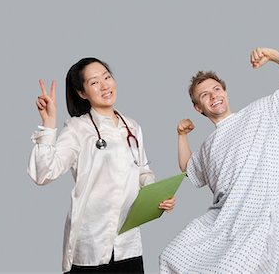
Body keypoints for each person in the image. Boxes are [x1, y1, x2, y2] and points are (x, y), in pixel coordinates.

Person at [159, 48, 279, 273]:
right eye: (205, 95)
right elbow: (189, 168)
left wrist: (275, 56)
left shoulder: (262, 112)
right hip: (220, 219)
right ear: (198, 108)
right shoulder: (208, 144)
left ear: (225, 91)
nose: (213, 95)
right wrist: (182, 136)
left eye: (216, 89)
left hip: (255, 218)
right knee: (172, 256)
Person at [27, 57, 175, 273]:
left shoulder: (132, 126)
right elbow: (43, 173)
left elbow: (142, 170)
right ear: (82, 92)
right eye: (95, 82)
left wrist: (157, 195)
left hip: (128, 244)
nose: (105, 85)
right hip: (90, 245)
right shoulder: (78, 128)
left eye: (107, 77)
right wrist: (49, 125)